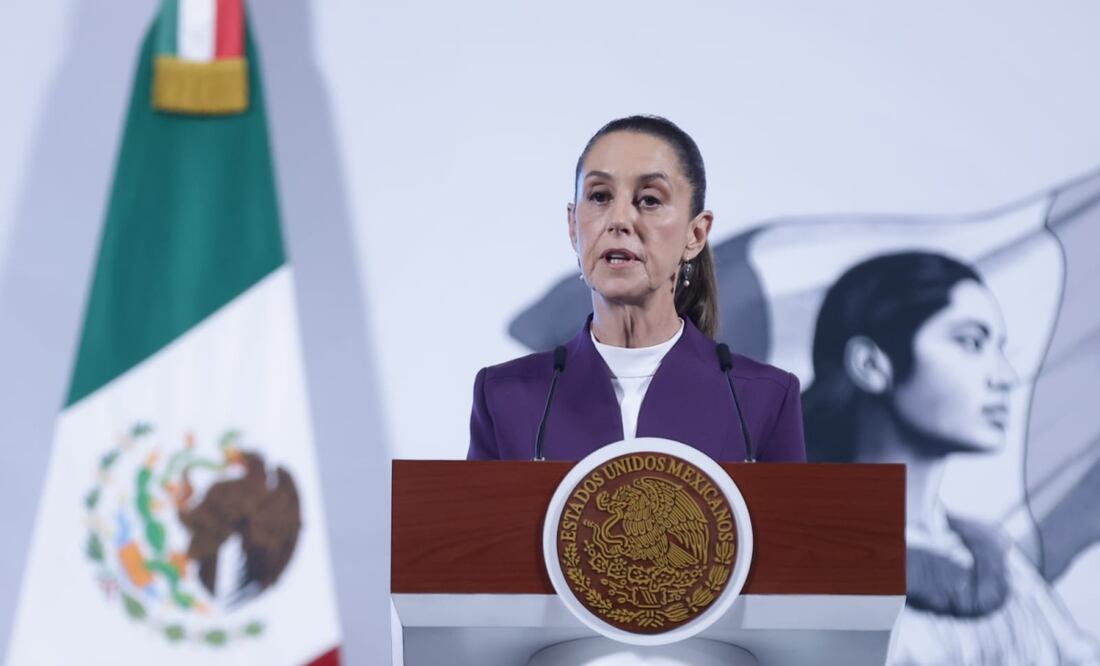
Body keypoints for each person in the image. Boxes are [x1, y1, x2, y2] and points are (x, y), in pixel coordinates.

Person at [803, 251, 1100, 665]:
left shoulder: (998, 560)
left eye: (999, 348)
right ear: (871, 364)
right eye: (971, 342)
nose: (1004, 376)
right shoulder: (802, 558)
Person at [467, 115, 805, 462]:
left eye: (649, 200)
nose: (619, 220)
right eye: (599, 196)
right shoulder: (505, 397)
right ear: (572, 225)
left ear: (696, 234)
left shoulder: (762, 399)